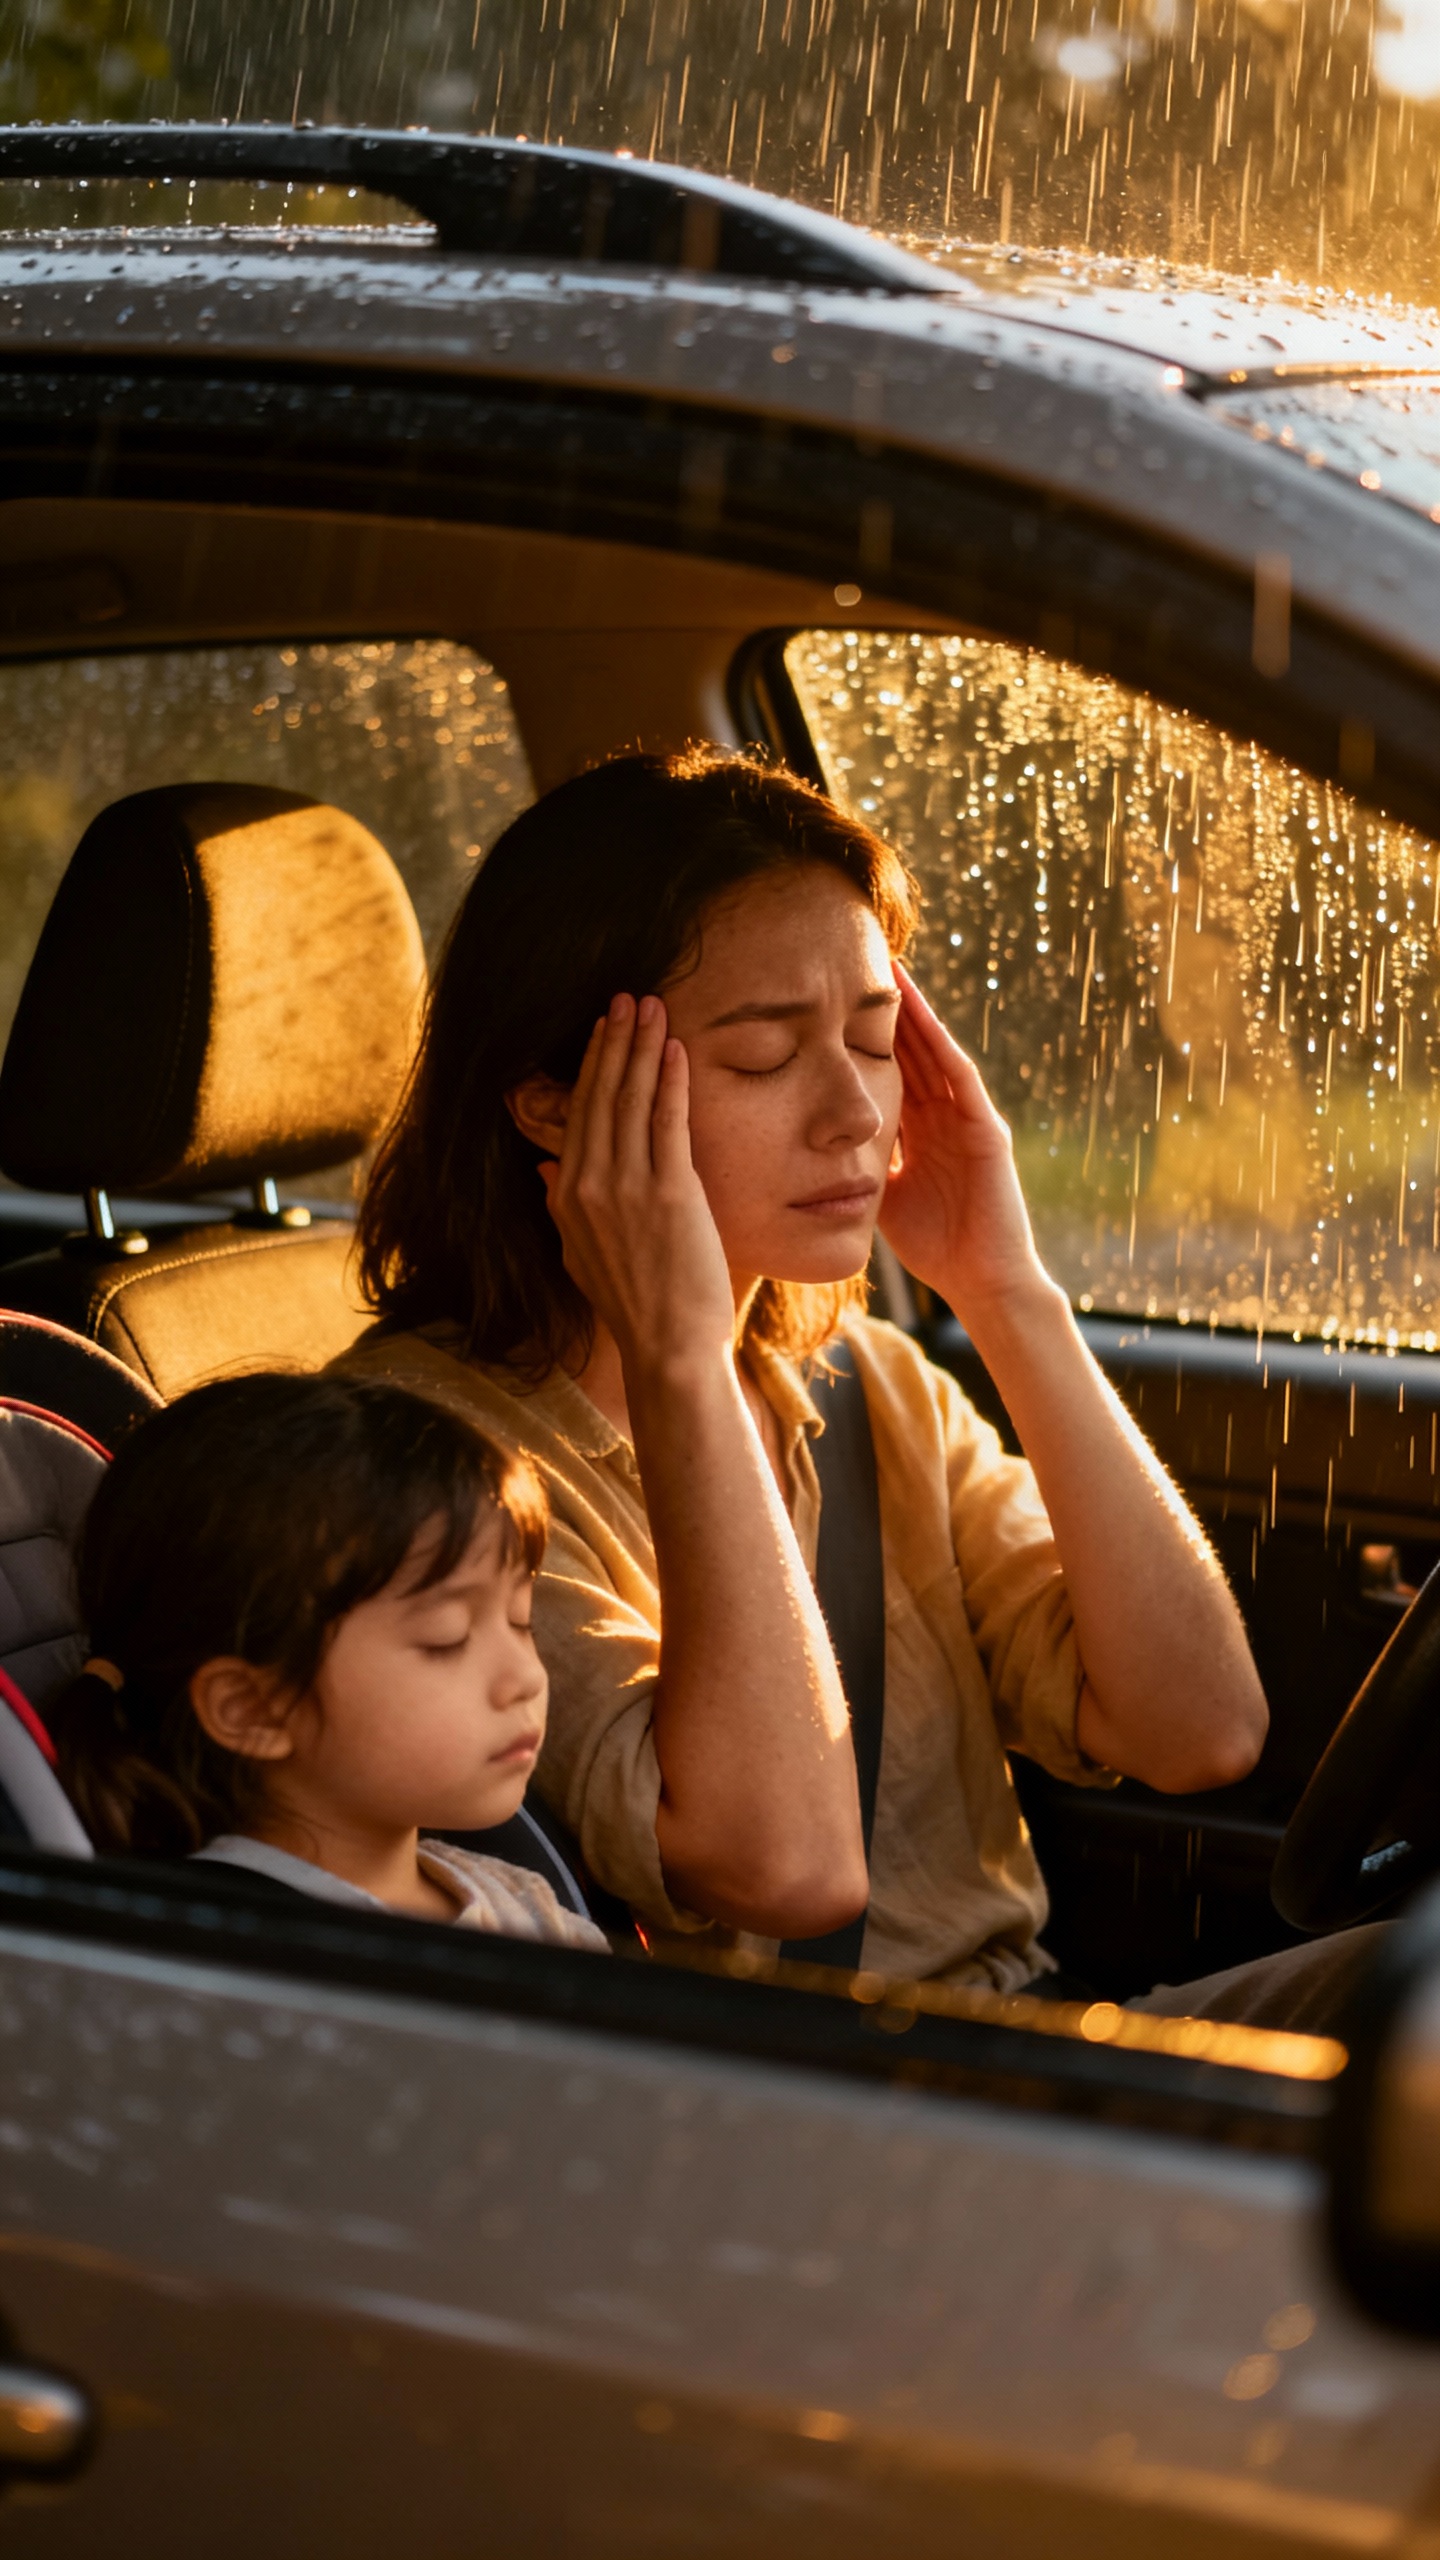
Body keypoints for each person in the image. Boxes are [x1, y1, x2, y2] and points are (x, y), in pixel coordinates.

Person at [338, 744, 1369, 2033]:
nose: (857, 1118)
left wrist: (1005, 1292)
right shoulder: (425, 1464)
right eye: (767, 1059)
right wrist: (678, 1362)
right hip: (808, 2117)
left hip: (1039, 2036)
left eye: (875, 1041)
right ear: (553, 1106)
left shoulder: (868, 1380)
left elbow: (1201, 1729)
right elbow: (787, 1870)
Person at [48, 1371, 607, 1949]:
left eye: (521, 1622)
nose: (526, 1678)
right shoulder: (234, 1956)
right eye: (447, 1638)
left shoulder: (517, 1898)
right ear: (254, 1709)